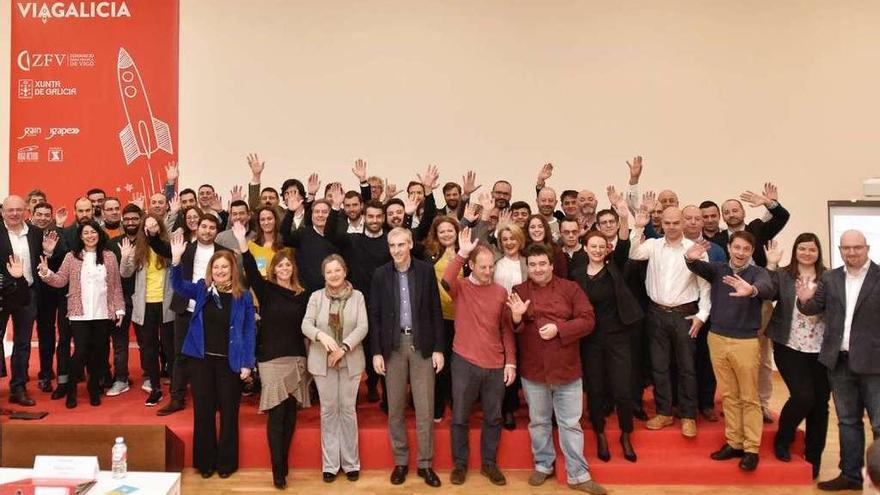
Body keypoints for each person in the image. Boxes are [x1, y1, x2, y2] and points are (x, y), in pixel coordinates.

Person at [510, 243, 604, 495]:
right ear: (527, 267)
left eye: (543, 264)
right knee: (539, 422)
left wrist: (559, 330)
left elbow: (588, 320)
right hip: (534, 370)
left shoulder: (570, 288)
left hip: (567, 368)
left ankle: (578, 474)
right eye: (533, 265)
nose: (538, 269)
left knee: (570, 423)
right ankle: (543, 465)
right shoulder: (518, 291)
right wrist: (517, 318)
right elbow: (511, 329)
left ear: (551, 265)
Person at [685, 231, 775, 472]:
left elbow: (768, 288)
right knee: (729, 395)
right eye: (737, 247)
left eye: (746, 249)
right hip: (717, 338)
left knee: (749, 397)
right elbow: (696, 266)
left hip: (745, 341)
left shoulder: (758, 274)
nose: (740, 252)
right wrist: (690, 258)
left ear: (751, 251)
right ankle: (734, 442)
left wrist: (752, 291)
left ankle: (751, 448)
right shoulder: (718, 269)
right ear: (729, 247)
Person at [798, 229, 880, 491]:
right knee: (847, 421)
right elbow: (812, 308)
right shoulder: (831, 278)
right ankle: (851, 476)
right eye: (846, 248)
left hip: (874, 363)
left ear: (867, 248)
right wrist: (802, 300)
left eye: (857, 247)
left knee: (879, 423)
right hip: (839, 362)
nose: (852, 252)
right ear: (840, 250)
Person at [169, 231, 255, 479]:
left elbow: (249, 330)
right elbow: (178, 286)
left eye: (224, 267)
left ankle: (226, 463)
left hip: (231, 363)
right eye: (215, 267)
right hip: (201, 361)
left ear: (232, 270)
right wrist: (176, 262)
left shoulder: (243, 296)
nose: (219, 271)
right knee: (203, 412)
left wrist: (248, 362)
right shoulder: (202, 290)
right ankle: (205, 463)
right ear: (211, 270)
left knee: (229, 414)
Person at [234, 223, 309, 489]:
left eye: (288, 265)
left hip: (297, 358)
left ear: (293, 268)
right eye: (280, 265)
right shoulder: (265, 290)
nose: (285, 269)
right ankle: (278, 470)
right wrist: (243, 242)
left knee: (290, 415)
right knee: (277, 416)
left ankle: (283, 462)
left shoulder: (302, 295)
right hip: (271, 358)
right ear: (274, 268)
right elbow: (250, 268)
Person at [369, 227, 445, 488]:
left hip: (422, 344)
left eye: (401, 244)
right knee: (396, 409)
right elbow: (376, 316)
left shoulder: (425, 271)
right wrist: (377, 351)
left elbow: (436, 310)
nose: (397, 250)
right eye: (392, 245)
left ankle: (425, 464)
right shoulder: (380, 274)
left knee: (425, 409)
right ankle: (401, 462)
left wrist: (438, 348)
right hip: (393, 347)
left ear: (411, 244)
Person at [442, 228, 516, 486]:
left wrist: (511, 361)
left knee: (493, 417)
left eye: (491, 267)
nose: (488, 272)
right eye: (483, 267)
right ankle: (460, 464)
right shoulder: (460, 287)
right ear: (471, 265)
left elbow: (506, 329)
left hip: (495, 364)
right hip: (464, 361)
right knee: (460, 416)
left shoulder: (500, 292)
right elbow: (446, 280)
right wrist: (461, 253)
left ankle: (489, 463)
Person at [629, 206, 711, 438]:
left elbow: (706, 287)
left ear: (684, 223)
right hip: (656, 314)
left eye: (676, 222)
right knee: (659, 366)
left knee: (687, 367)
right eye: (668, 223)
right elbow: (634, 253)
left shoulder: (694, 250)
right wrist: (637, 227)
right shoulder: (653, 246)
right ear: (661, 224)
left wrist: (702, 315)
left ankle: (688, 416)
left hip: (685, 315)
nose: (672, 227)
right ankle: (664, 412)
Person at [570, 202, 642, 464]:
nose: (598, 250)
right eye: (593, 246)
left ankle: (625, 434)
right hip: (590, 341)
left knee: (622, 389)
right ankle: (599, 432)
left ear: (607, 249)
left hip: (618, 337)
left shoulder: (616, 266)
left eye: (602, 246)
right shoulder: (577, 274)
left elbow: (623, 243)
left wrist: (624, 216)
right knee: (596, 390)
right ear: (586, 248)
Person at [38, 220, 125, 408]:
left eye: (93, 232)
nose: (90, 236)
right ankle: (71, 389)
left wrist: (119, 309)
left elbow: (116, 285)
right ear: (80, 236)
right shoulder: (72, 256)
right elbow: (60, 280)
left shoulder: (109, 256)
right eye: (85, 233)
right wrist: (46, 273)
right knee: (81, 352)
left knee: (100, 353)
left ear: (99, 234)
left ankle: (94, 388)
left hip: (103, 312)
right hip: (79, 313)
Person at [764, 234, 829, 479]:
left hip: (822, 349)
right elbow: (767, 293)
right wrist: (771, 265)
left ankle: (814, 460)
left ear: (818, 251)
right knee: (803, 397)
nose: (806, 253)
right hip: (789, 345)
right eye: (802, 248)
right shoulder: (783, 275)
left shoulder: (829, 276)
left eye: (811, 249)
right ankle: (784, 438)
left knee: (820, 406)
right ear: (795, 250)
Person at [302, 254, 368, 483]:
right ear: (324, 275)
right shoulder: (316, 297)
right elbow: (306, 324)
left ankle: (351, 463)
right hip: (323, 362)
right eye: (329, 272)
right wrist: (321, 336)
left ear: (345, 271)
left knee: (348, 410)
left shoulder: (357, 296)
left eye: (337, 270)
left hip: (350, 360)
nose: (333, 275)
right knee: (329, 411)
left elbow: (362, 326)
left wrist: (343, 348)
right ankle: (330, 464)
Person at [118, 214, 174, 407]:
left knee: (169, 347)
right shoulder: (138, 249)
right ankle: (155, 388)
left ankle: (176, 388)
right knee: (149, 348)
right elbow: (125, 273)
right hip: (145, 304)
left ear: (160, 227)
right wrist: (125, 258)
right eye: (147, 225)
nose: (150, 228)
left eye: (154, 225)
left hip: (167, 304)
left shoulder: (168, 246)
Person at [0, 195, 48, 406]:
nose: (14, 214)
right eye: (10, 210)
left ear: (26, 211)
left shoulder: (36, 233)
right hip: (1, 293)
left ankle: (18, 387)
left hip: (26, 293)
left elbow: (42, 261)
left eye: (19, 210)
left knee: (23, 343)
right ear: (2, 212)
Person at [422, 216, 461, 422]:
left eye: (450, 230)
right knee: (438, 363)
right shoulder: (430, 254)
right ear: (436, 234)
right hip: (437, 318)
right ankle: (437, 405)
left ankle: (457, 403)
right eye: (442, 231)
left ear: (457, 232)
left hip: (462, 318)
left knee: (458, 364)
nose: (446, 234)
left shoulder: (467, 253)